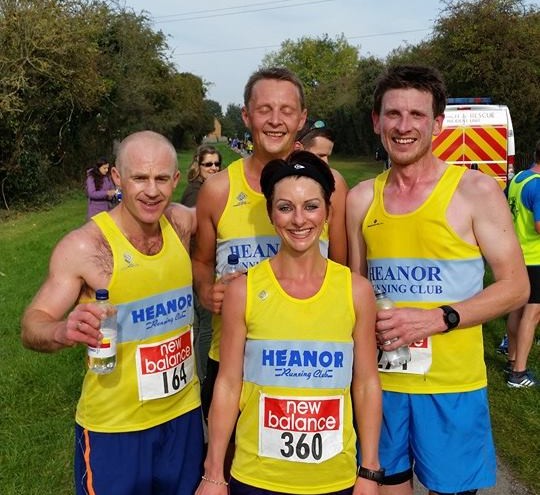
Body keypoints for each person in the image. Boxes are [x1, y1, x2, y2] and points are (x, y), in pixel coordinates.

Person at [345, 65, 529, 495]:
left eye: (417, 115)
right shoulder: (361, 199)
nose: (404, 126)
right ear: (376, 121)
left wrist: (437, 318)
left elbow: (516, 286)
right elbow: (356, 289)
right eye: (393, 114)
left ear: (437, 124)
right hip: (381, 384)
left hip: (452, 386)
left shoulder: (476, 192)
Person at [21, 131, 203, 495]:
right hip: (115, 427)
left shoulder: (182, 224)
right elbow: (32, 324)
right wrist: (61, 331)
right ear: (118, 178)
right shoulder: (86, 246)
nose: (151, 191)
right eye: (139, 178)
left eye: (161, 179)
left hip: (183, 417)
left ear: (176, 179)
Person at [196, 150, 382, 495]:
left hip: (333, 478)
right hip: (256, 477)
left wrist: (369, 471)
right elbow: (227, 385)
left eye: (311, 206)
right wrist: (213, 473)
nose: (299, 220)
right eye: (285, 208)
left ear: (328, 212)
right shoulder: (243, 291)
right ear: (270, 214)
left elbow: (367, 383)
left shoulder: (356, 290)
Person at [193, 67, 347, 420]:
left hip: (311, 359)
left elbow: (345, 272)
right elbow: (201, 261)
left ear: (302, 118)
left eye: (287, 110)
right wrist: (206, 290)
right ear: (247, 115)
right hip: (233, 359)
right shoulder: (218, 190)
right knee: (226, 468)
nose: (275, 121)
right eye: (264, 110)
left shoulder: (331, 185)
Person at [181, 144, 222, 380]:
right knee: (206, 327)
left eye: (217, 164)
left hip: (201, 265)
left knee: (201, 326)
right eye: (208, 164)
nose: (213, 168)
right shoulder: (197, 194)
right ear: (198, 166)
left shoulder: (204, 190)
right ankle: (204, 378)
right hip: (199, 268)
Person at [505, 139, 540, 388]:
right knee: (533, 313)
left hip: (517, 256)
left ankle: (512, 359)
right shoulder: (538, 186)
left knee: (516, 310)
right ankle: (518, 373)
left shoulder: (519, 178)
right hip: (535, 259)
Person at [295, 120, 349, 264]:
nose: (326, 163)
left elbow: (340, 260)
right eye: (320, 156)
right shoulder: (277, 184)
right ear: (298, 149)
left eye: (328, 156)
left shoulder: (335, 186)